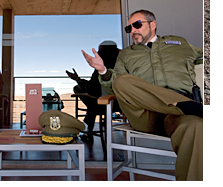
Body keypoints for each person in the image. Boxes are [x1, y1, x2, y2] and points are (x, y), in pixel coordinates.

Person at [82, 9, 203, 180]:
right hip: (145, 113)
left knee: (196, 126)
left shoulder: (181, 44)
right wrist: (102, 70)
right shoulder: (126, 54)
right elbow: (114, 86)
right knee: (122, 81)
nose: (132, 31)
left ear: (153, 25)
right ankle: (188, 106)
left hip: (180, 116)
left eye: (137, 25)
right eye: (129, 28)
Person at [66, 41, 119, 142]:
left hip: (105, 103)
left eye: (99, 51)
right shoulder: (121, 64)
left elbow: (92, 88)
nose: (98, 54)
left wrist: (77, 80)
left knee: (80, 91)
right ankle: (89, 126)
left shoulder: (102, 68)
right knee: (91, 99)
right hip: (122, 104)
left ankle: (88, 129)